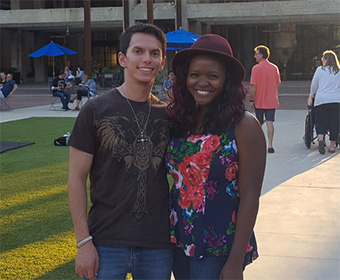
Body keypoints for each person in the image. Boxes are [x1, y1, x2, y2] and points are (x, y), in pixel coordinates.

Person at [67, 23, 173, 280]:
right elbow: (76, 180)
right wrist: (83, 243)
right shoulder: (95, 110)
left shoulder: (169, 115)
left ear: (162, 62)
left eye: (154, 53)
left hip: (156, 244)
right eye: (138, 51)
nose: (147, 59)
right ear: (122, 59)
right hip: (105, 241)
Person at [166, 34, 266, 279]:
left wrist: (234, 261)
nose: (203, 82)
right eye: (194, 75)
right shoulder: (180, 122)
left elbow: (251, 196)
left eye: (213, 76)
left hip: (219, 245)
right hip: (180, 240)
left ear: (226, 81)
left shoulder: (244, 126)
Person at [249, 45, 281, 153]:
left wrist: (251, 100)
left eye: (256, 54)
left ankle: (256, 144)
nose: (255, 56)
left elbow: (253, 86)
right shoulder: (274, 68)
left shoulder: (256, 68)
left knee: (258, 123)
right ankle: (270, 145)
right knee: (270, 122)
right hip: (271, 100)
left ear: (261, 55)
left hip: (259, 100)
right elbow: (277, 84)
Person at [308, 50, 340, 154]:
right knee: (335, 122)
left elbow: (314, 84)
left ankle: (321, 139)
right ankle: (331, 146)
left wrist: (312, 94)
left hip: (321, 100)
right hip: (336, 100)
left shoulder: (320, 70)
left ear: (325, 59)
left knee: (319, 121)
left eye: (323, 58)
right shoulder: (339, 71)